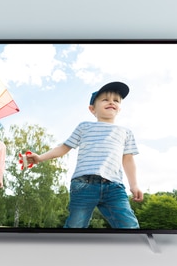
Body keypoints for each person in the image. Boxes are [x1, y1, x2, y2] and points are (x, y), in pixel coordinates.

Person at [24, 81, 143, 228]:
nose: (111, 102)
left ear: (119, 108)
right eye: (105, 99)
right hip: (83, 185)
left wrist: (134, 185)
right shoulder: (85, 127)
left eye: (116, 100)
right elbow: (63, 147)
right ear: (92, 109)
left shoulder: (125, 132)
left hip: (114, 187)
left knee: (129, 226)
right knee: (75, 226)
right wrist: (40, 158)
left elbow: (128, 160)